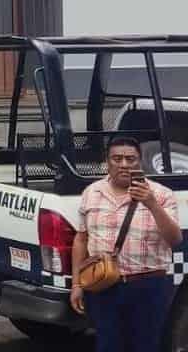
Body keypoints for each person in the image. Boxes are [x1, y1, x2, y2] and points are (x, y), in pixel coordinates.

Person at [71, 136, 182, 352]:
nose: (123, 164)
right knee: (107, 345)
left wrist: (151, 204)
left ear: (140, 162)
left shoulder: (162, 195)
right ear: (107, 162)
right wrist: (76, 285)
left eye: (130, 159)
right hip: (103, 285)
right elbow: (81, 239)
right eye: (117, 158)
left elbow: (175, 239)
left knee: (145, 346)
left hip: (148, 285)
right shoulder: (91, 193)